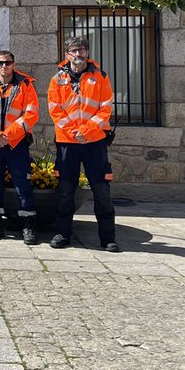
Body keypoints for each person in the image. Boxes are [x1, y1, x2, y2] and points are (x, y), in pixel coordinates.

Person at [48, 36, 119, 252]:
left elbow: (105, 108)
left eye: (81, 50)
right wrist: (73, 132)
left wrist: (86, 131)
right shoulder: (57, 79)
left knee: (101, 191)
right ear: (66, 55)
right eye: (73, 51)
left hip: (94, 141)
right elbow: (55, 109)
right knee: (65, 190)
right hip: (67, 143)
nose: (77, 55)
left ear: (87, 52)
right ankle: (62, 234)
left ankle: (108, 239)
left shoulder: (101, 77)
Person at [0, 50, 41, 244]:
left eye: (8, 62)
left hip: (16, 144)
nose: (4, 66)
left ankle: (28, 226)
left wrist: (9, 136)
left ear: (13, 64)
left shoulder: (25, 86)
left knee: (22, 185)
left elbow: (31, 114)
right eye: (0, 63)